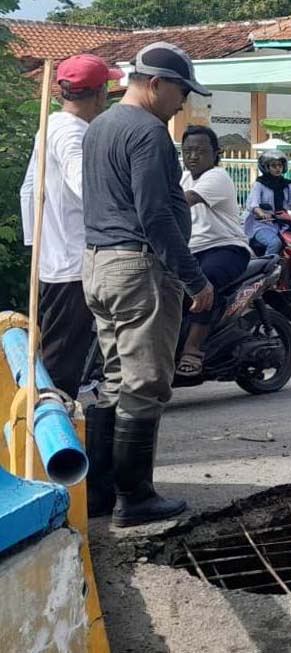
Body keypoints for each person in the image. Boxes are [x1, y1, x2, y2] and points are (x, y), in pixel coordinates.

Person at [81, 41, 213, 527]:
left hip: (98, 265)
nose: (184, 103)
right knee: (146, 384)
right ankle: (134, 498)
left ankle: (98, 492)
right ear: (155, 84)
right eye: (181, 91)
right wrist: (194, 277)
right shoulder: (148, 134)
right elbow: (155, 215)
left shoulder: (101, 126)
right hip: (138, 270)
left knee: (115, 379)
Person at [19, 55, 123, 400]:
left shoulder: (50, 125)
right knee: (63, 358)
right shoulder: (75, 134)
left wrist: (38, 245)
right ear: (98, 94)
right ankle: (53, 435)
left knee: (60, 351)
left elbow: (29, 191)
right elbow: (87, 186)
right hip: (74, 262)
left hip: (54, 258)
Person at [177, 125, 251, 377]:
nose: (193, 156)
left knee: (202, 283)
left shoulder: (217, 177)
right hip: (192, 250)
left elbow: (181, 201)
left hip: (226, 247)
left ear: (216, 154)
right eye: (187, 151)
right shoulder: (184, 177)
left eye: (200, 151)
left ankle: (192, 350)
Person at [243, 150, 291, 255]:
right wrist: (261, 213)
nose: (277, 168)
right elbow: (253, 203)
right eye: (273, 166)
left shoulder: (287, 184)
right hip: (263, 224)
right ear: (267, 167)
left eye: (280, 165)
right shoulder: (260, 184)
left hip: (283, 223)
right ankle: (267, 268)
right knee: (275, 244)